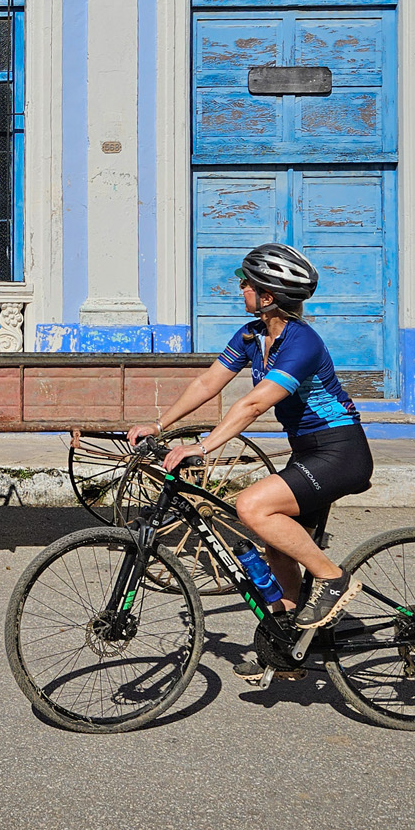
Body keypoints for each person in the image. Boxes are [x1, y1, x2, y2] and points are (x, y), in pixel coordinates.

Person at [126, 242, 372, 652]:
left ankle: (333, 579)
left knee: (252, 506)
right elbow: (208, 382)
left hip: (340, 452)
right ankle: (288, 642)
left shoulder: (302, 343)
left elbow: (254, 404)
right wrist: (159, 424)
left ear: (268, 296)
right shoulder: (252, 335)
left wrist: (203, 447)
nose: (240, 287)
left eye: (247, 282)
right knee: (278, 548)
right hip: (308, 451)